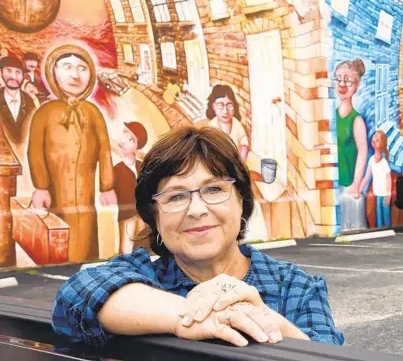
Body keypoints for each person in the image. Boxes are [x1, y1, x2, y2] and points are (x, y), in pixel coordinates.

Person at [52, 126, 344, 347]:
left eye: (214, 189)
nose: (196, 209)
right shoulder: (144, 277)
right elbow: (76, 296)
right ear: (154, 215)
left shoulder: (294, 287)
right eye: (176, 196)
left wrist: (268, 322)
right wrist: (194, 316)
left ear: (241, 198)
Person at [28, 44, 117, 262]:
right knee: (58, 238)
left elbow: (105, 150)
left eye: (82, 68)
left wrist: (107, 186)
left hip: (86, 196)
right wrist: (40, 187)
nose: (75, 75)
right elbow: (35, 152)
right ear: (53, 71)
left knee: (86, 239)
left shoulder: (93, 112)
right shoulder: (44, 113)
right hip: (55, 194)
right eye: (67, 67)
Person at [335, 59, 368, 199]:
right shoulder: (332, 116)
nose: (342, 84)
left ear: (356, 86)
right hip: (333, 183)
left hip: (348, 186)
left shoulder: (356, 120)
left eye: (347, 80)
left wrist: (356, 185)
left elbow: (362, 153)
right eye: (338, 79)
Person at [113, 121, 149, 253]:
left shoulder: (143, 166)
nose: (124, 140)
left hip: (143, 214)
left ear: (137, 147)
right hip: (126, 214)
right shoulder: (116, 168)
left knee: (141, 246)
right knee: (126, 249)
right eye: (124, 133)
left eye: (131, 139)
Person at [0, 55, 36, 148]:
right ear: (1, 72)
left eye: (18, 72)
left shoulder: (30, 101)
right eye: (8, 71)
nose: (13, 76)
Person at [206, 84, 249, 161]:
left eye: (229, 105)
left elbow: (244, 145)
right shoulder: (211, 127)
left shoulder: (237, 125)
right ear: (213, 106)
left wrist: (241, 163)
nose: (225, 111)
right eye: (220, 105)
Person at [359, 130, 392, 228]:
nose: (375, 139)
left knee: (386, 218)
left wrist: (389, 194)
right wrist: (359, 190)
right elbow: (366, 177)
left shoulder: (384, 162)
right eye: (375, 136)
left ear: (381, 145)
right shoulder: (372, 160)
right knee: (379, 218)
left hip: (385, 194)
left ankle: (388, 233)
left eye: (377, 139)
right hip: (378, 194)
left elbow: (388, 178)